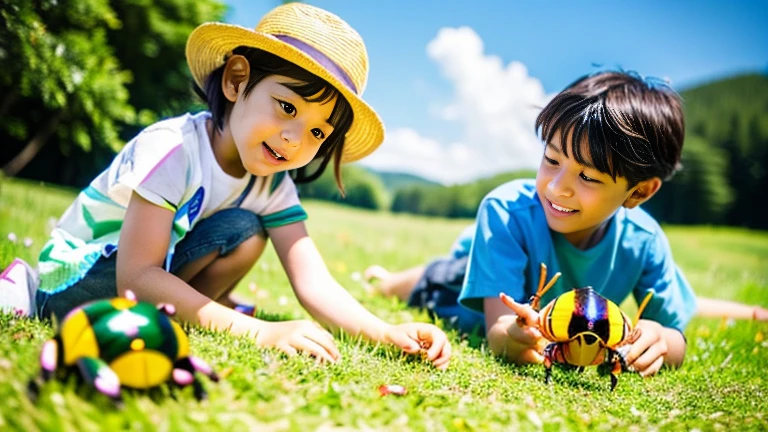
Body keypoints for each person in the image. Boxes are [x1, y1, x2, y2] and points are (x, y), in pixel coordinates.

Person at [28, 3, 450, 368]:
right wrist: (258, 331)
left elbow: (313, 281)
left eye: (318, 134)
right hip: (76, 286)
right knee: (223, 239)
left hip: (142, 284)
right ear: (235, 81)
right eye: (286, 107)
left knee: (244, 229)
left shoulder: (271, 185)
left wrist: (383, 332)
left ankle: (192, 309)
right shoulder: (173, 148)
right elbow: (136, 278)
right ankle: (199, 309)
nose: (295, 139)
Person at [370, 70, 700, 378]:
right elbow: (499, 332)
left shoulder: (645, 241)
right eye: (552, 159)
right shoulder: (504, 210)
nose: (557, 187)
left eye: (587, 176)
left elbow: (676, 338)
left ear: (640, 191)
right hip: (465, 282)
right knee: (436, 278)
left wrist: (661, 339)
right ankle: (385, 280)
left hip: (546, 302)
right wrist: (512, 337)